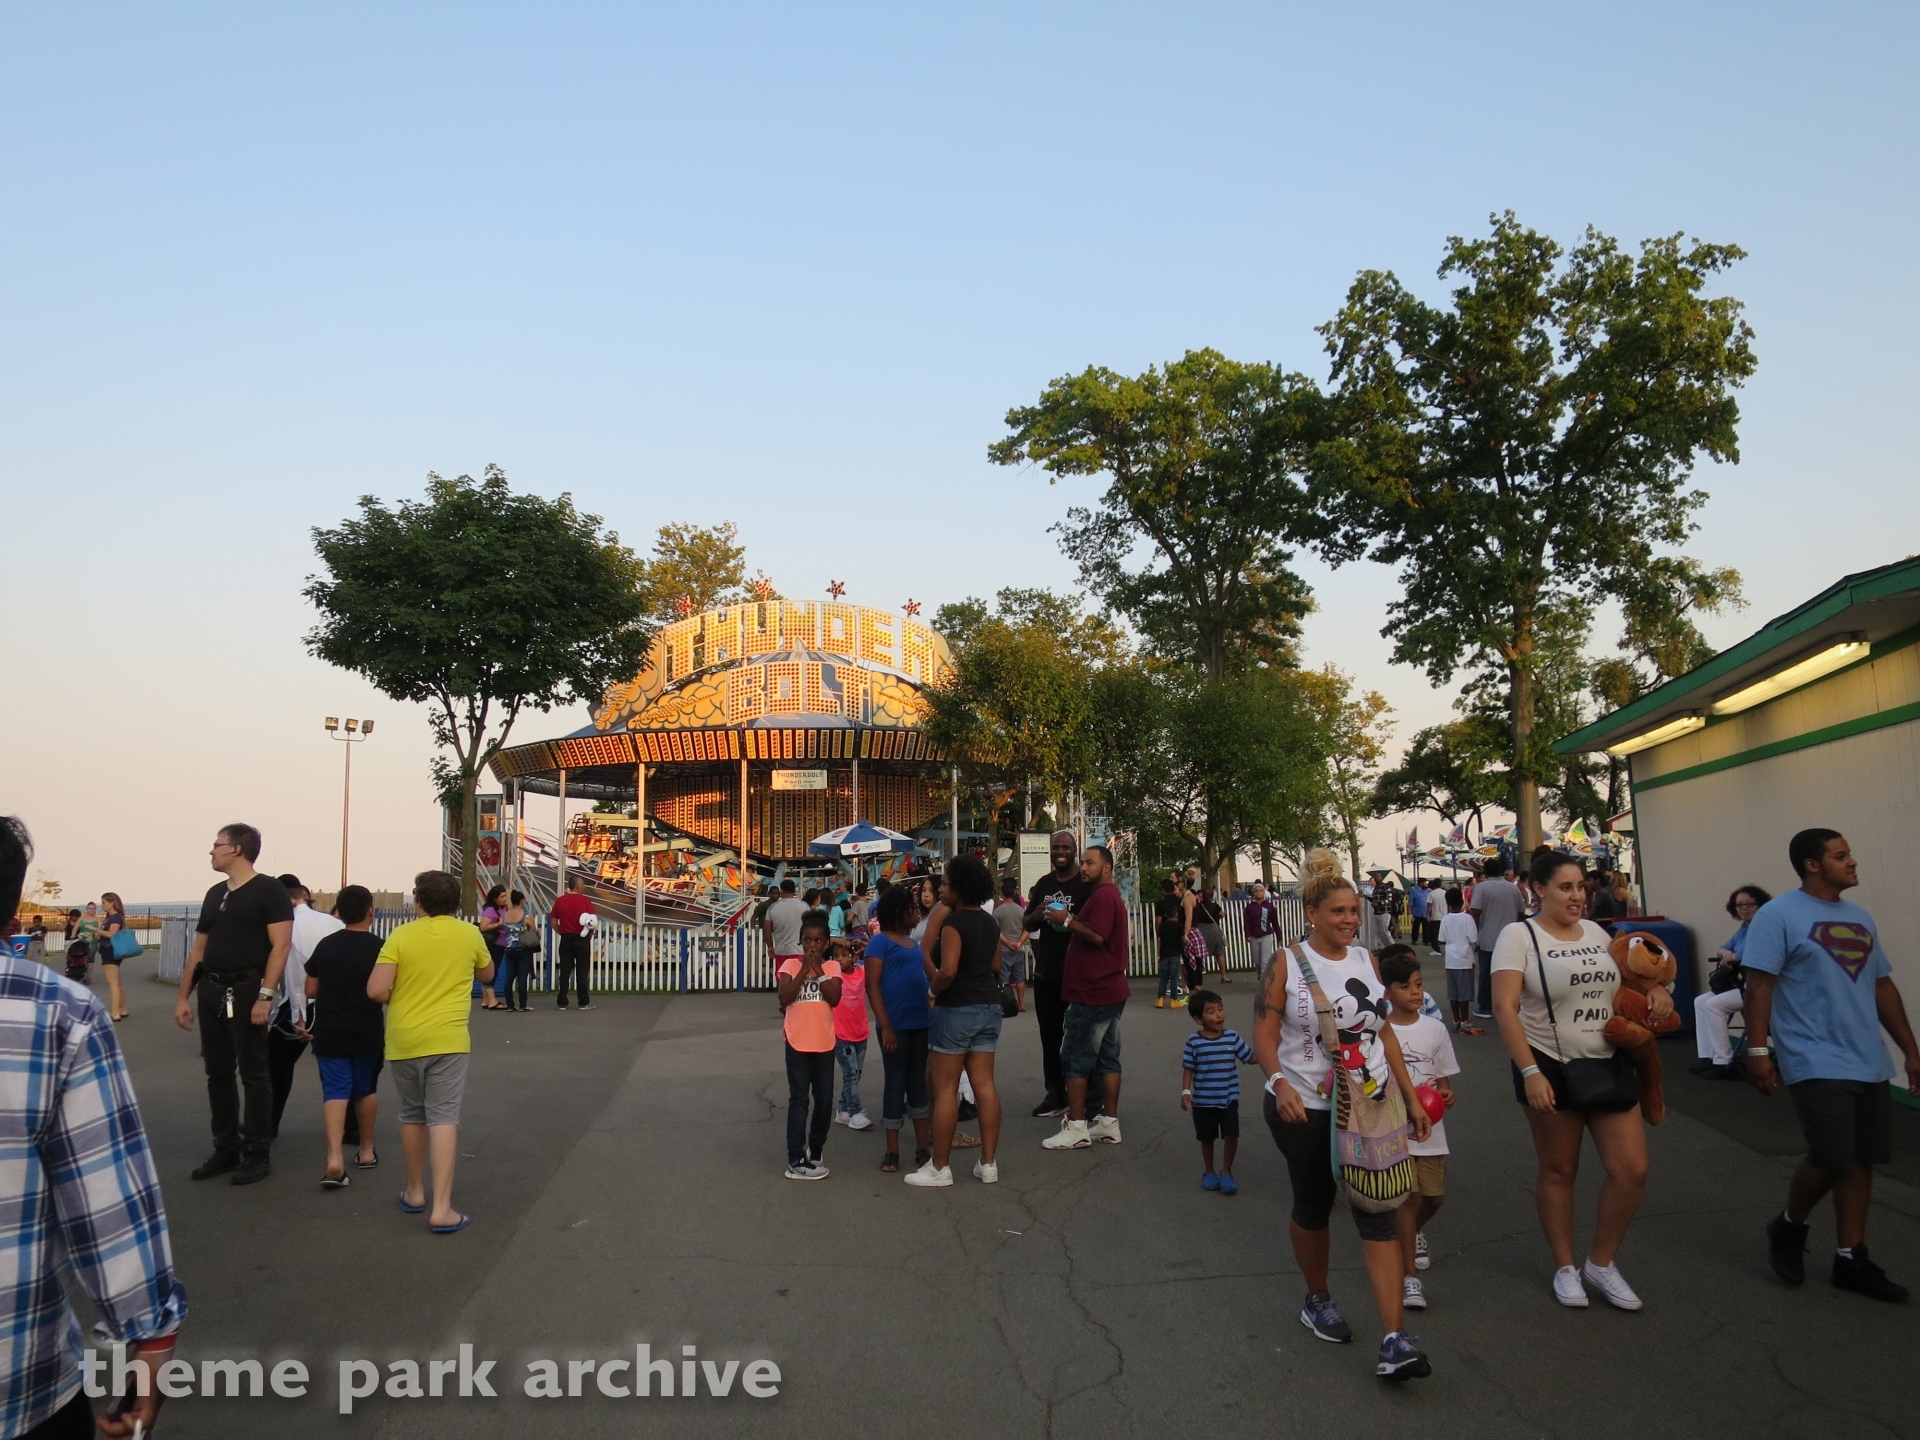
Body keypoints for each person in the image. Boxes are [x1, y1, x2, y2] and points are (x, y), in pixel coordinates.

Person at [0, 816, 189, 1440]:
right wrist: (150, 1336)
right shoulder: (56, 1013)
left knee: (112, 984)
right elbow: (104, 1195)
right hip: (20, 1378)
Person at [1249, 850, 1433, 1380]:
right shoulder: (1286, 962)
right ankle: (1317, 1298)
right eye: (1339, 911)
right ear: (1312, 913)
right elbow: (1264, 1033)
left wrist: (1410, 1097)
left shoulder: (1367, 961)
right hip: (1305, 1108)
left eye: (1354, 910)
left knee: (1377, 1210)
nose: (1350, 919)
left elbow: (1384, 1032)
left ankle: (1394, 1340)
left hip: (1369, 1108)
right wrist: (1279, 1082)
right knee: (1313, 1203)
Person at [1747, 829, 1920, 1303]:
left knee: (1861, 1158)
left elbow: (1881, 986)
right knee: (1832, 1154)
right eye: (1841, 856)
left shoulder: (1860, 917)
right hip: (1814, 1055)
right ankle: (1789, 1226)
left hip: (1867, 1057)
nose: (1852, 862)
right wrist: (1758, 1051)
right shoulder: (1778, 915)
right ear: (1812, 865)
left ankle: (1851, 1258)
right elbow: (1759, 984)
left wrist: (1910, 1050)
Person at [1493, 850, 1668, 1311]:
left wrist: (1657, 988)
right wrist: (1530, 1072)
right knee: (1560, 1170)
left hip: (1607, 1061)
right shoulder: (1519, 936)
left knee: (1632, 1170)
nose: (1576, 897)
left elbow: (1630, 977)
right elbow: (1505, 1008)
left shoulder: (1596, 932)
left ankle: (1601, 1263)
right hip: (1548, 1064)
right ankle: (1565, 1267)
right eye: (1565, 887)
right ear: (1539, 890)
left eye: (1581, 888)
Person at [369, 869, 493, 1233]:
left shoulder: (401, 935)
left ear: (419, 901)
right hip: (448, 1038)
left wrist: (401, 995)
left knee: (412, 1114)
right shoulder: (469, 933)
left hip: (405, 1037)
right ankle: (443, 1208)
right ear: (455, 903)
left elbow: (375, 989)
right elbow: (487, 975)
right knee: (443, 1118)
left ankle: (414, 1191)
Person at [175, 823, 293, 1186]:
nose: (211, 851)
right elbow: (199, 949)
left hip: (247, 989)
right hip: (211, 989)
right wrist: (183, 997)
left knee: (254, 1073)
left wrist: (265, 996)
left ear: (236, 849)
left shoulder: (269, 890)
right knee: (218, 1072)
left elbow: (281, 945)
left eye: (217, 844)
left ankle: (257, 1152)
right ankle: (226, 1147)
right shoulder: (215, 894)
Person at [907, 856, 1005, 1186]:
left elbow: (947, 970)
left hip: (956, 1007)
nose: (941, 889)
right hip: (988, 1007)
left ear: (961, 888)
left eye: (946, 884)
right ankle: (988, 1163)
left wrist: (933, 991)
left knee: (945, 1088)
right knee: (985, 1086)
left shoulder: (953, 925)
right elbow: (996, 965)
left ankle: (940, 1167)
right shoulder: (990, 923)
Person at [1381, 950, 1459, 1310]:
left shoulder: (1435, 1029)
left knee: (1433, 1198)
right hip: (1395, 1128)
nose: (1415, 992)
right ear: (1387, 992)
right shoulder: (1380, 1032)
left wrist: (1445, 1095)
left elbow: (1443, 1080)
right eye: (1405, 986)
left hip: (1431, 1130)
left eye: (1418, 984)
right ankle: (1409, 1277)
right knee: (1407, 1199)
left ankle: (1412, 1232)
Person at [1041, 844, 1130, 1151]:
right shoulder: (1105, 896)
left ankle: (1077, 1125)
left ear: (1106, 868)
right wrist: (1071, 919)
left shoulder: (1104, 896)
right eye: (1082, 862)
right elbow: (1093, 929)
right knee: (1108, 1059)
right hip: (1108, 989)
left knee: (1076, 1059)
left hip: (1093, 991)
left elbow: (1098, 936)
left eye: (1089, 863)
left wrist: (1066, 921)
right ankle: (1108, 1123)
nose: (1083, 868)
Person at [304, 884, 384, 1184]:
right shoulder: (380, 947)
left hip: (330, 1028)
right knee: (366, 1088)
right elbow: (387, 990)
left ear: (339, 912)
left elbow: (311, 989)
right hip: (366, 1028)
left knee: (335, 1090)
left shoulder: (326, 945)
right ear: (370, 911)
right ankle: (366, 1149)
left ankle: (334, 1157)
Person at [266, 874, 343, 1141]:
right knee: (337, 1067)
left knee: (276, 1064)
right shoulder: (333, 922)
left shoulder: (288, 927)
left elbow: (295, 976)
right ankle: (350, 1126)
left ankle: (268, 1123)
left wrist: (299, 1017)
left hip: (303, 1004)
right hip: (335, 1003)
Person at [1022, 831, 1090, 1119]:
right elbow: (1026, 922)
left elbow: (1094, 927)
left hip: (1078, 974)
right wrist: (1037, 915)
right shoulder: (1044, 884)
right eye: (1056, 847)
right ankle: (1056, 1095)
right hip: (1046, 974)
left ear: (1075, 850)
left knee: (1081, 1039)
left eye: (1066, 847)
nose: (1060, 852)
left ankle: (1088, 1099)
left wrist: (1068, 919)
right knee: (1050, 1040)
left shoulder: (1085, 885)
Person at [866, 883, 932, 1173]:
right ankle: (892, 1151)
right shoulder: (879, 943)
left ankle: (922, 1148)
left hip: (921, 1023)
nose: (917, 911)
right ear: (898, 911)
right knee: (895, 1084)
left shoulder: (913, 944)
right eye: (912, 907)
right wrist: (886, 1027)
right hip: (895, 1026)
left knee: (918, 1083)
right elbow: (872, 986)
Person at [776, 910, 844, 1180]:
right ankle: (795, 1158)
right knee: (799, 1100)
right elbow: (784, 998)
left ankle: (815, 1150)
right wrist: (805, 969)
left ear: (826, 943)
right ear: (800, 941)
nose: (812, 946)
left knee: (824, 1101)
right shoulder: (790, 967)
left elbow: (834, 998)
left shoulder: (832, 968)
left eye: (817, 941)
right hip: (797, 1043)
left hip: (824, 1043)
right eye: (807, 940)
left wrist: (819, 972)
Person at [1693, 884, 1770, 1077]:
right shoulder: (1744, 928)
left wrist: (1732, 956)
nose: (1744, 908)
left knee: (1714, 1005)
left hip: (1761, 988)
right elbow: (1724, 947)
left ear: (1760, 905)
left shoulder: (1765, 928)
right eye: (1739, 905)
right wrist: (1726, 953)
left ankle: (1724, 1061)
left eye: (1749, 904)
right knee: (1700, 1001)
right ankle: (1709, 1056)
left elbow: (1750, 953)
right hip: (1742, 984)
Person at [1181, 988, 1254, 1194]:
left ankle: (1227, 1171)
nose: (1218, 1015)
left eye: (1220, 1009)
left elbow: (1250, 1057)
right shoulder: (1194, 1042)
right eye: (1211, 1012)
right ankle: (1209, 1171)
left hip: (1229, 1098)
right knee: (1207, 1138)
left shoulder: (1232, 1037)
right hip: (1203, 1101)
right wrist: (1185, 1091)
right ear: (1199, 1019)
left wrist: (1271, 1049)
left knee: (1232, 1135)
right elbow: (1188, 1068)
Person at [1469, 859, 1524, 1019]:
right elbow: (1521, 912)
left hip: (1488, 937)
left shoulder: (1482, 887)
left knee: (1486, 973)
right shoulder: (1512, 888)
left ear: (1485, 872)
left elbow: (1475, 910)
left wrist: (1477, 928)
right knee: (1512, 974)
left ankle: (1485, 1007)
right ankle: (1513, 1005)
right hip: (1511, 939)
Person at [832, 928, 873, 1131]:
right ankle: (856, 1112)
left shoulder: (862, 972)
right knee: (850, 1073)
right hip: (841, 1034)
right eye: (836, 956)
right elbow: (825, 944)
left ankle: (843, 1110)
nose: (839, 959)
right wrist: (840, 940)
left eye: (844, 955)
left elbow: (878, 961)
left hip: (860, 1031)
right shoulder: (834, 975)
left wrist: (866, 946)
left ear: (854, 957)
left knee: (856, 1073)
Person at [549, 873, 596, 1011]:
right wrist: (589, 935)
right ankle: (583, 1002)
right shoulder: (585, 901)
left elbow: (553, 923)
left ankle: (562, 1002)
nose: (583, 888)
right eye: (582, 885)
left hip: (566, 938)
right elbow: (592, 921)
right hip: (581, 938)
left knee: (565, 970)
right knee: (582, 971)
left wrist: (562, 932)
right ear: (578, 886)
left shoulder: (559, 901)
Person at [1436, 888, 1481, 1035]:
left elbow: (1441, 939)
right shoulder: (1467, 919)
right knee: (1464, 992)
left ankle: (1456, 1019)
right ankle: (1465, 1020)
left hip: (1450, 959)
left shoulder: (1445, 919)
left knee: (1453, 992)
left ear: (1447, 903)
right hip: (1465, 958)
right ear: (1462, 902)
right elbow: (1473, 938)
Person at [993, 877, 1029, 1013]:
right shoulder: (1021, 911)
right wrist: (1019, 942)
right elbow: (1027, 929)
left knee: (1004, 979)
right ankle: (1021, 1004)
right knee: (1020, 979)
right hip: (1018, 949)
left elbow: (996, 931)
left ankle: (1005, 1004)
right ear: (1014, 893)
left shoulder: (998, 911)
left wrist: (1008, 943)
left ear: (1002, 894)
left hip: (1003, 949)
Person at [498, 889, 535, 1012]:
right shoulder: (526, 917)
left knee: (509, 977)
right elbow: (534, 931)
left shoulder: (505, 915)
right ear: (521, 901)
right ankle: (523, 1005)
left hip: (509, 949)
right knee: (522, 977)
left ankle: (510, 1005)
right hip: (523, 949)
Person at [97, 891, 131, 1020]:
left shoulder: (115, 918)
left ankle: (115, 1013)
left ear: (112, 903)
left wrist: (96, 930)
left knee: (112, 983)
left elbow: (111, 934)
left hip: (110, 950)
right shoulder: (111, 918)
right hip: (108, 949)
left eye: (104, 902)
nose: (102, 905)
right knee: (117, 981)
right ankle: (122, 1009)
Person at [1153, 877, 1186, 1010]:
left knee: (1163, 977)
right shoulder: (1180, 902)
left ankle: (1160, 999)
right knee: (1174, 977)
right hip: (1176, 951)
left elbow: (1158, 922)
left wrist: (1159, 953)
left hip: (1165, 952)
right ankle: (1174, 999)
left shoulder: (1161, 905)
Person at [478, 884, 511, 1010]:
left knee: (491, 969)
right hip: (494, 944)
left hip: (500, 944)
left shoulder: (500, 908)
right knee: (492, 971)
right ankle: (492, 1001)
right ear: (494, 898)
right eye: (502, 896)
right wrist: (498, 924)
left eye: (505, 896)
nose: (504, 899)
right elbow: (483, 926)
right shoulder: (490, 910)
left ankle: (486, 1000)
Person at [764, 877, 807, 966]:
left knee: (782, 974)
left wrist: (770, 946)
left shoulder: (772, 908)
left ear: (781, 891)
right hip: (799, 951)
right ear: (794, 891)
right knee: (799, 974)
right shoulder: (804, 906)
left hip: (781, 951)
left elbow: (766, 930)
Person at [1244, 880, 1280, 975]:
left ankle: (1264, 981)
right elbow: (1246, 922)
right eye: (1256, 891)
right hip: (1254, 936)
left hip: (1266, 935)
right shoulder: (1250, 907)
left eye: (1260, 890)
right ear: (1253, 893)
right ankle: (1260, 975)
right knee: (1257, 960)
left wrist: (1279, 937)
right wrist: (1248, 934)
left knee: (1265, 961)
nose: (1258, 892)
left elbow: (1275, 923)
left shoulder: (1269, 906)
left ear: (1264, 892)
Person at [1194, 884, 1228, 987]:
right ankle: (1224, 976)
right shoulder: (1215, 905)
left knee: (1199, 955)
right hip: (1214, 930)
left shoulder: (1198, 906)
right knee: (1219, 953)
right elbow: (1222, 914)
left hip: (1202, 930)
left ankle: (1199, 978)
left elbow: (1195, 918)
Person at [1405, 877, 1428, 954]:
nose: (1426, 884)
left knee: (1426, 927)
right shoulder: (1414, 891)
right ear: (1421, 883)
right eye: (1425, 883)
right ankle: (1414, 939)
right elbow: (1410, 902)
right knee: (1416, 926)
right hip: (1416, 912)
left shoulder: (1427, 891)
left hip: (1425, 912)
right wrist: (1410, 913)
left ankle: (1426, 940)